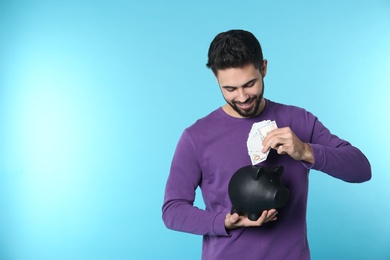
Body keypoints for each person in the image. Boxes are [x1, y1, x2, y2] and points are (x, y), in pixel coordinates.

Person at [162, 29, 371, 260]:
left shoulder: (298, 121)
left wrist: (305, 151)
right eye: (230, 89)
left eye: (249, 84)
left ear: (264, 68)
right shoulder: (196, 137)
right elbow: (172, 210)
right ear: (216, 79)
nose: (242, 97)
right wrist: (224, 221)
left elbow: (361, 169)